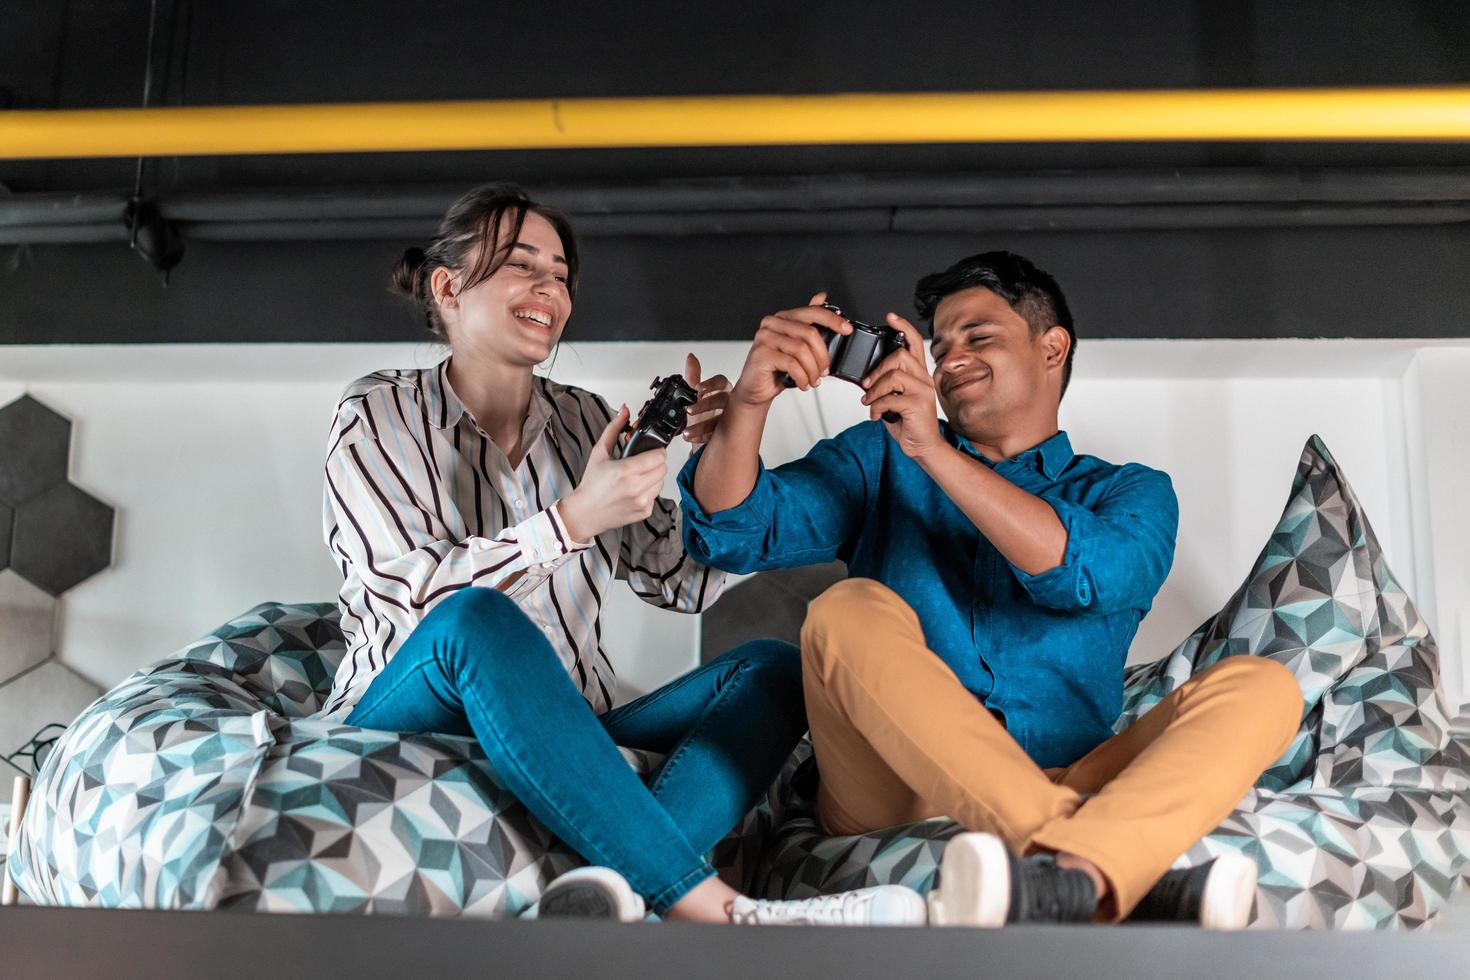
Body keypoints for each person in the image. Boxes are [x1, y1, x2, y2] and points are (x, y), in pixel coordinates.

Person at [319, 183, 925, 926]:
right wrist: (573, 519)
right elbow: (417, 604)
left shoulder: (584, 421)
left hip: (564, 722)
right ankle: (714, 906)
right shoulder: (378, 412)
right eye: (520, 264)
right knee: (477, 619)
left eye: (562, 272)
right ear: (447, 287)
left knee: (773, 668)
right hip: (412, 705)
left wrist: (732, 435)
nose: (550, 285)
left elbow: (682, 580)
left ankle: (599, 891)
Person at [678, 251, 1305, 928]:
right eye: (938, 348)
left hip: (1068, 770)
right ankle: (1096, 865)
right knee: (845, 610)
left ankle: (1070, 877)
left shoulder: (1130, 492)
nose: (949, 362)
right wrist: (748, 404)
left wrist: (935, 453)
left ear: (1052, 347)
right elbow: (731, 530)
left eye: (978, 338)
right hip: (891, 785)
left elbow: (1079, 574)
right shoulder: (880, 453)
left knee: (1266, 687)